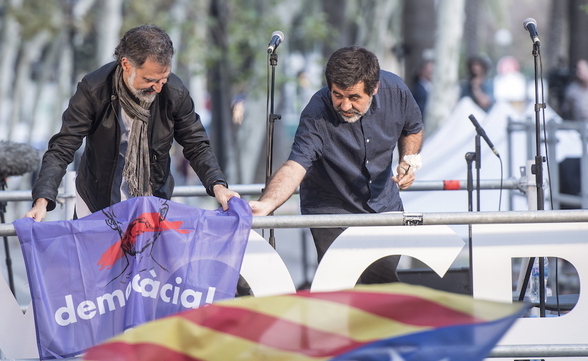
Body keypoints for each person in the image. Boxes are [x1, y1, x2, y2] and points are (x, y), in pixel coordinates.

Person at [25, 24, 239, 221]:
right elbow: (62, 147)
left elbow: (196, 144)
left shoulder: (174, 92)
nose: (157, 88)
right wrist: (42, 200)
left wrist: (218, 186)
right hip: (95, 203)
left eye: (163, 79)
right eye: (150, 80)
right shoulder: (93, 89)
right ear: (126, 64)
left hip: (152, 204)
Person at [248, 46, 423, 283]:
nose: (345, 105)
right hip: (331, 210)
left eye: (354, 97)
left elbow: (412, 129)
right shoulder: (316, 111)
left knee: (383, 288)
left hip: (384, 205)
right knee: (338, 289)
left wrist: (408, 161)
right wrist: (267, 203)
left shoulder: (397, 91)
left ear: (375, 88)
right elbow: (295, 165)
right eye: (337, 95)